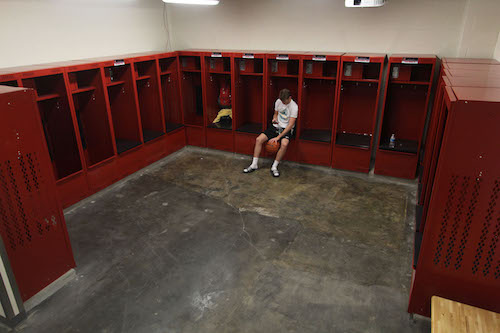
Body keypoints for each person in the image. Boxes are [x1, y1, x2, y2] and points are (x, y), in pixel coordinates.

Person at [243, 88, 298, 177]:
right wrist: (274, 118)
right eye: (282, 101)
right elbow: (276, 113)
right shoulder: (278, 101)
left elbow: (290, 125)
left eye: (285, 101)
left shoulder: (294, 107)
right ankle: (254, 164)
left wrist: (278, 137)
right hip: (276, 126)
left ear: (290, 98)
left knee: (284, 144)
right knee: (259, 139)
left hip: (286, 129)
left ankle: (274, 167)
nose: (283, 103)